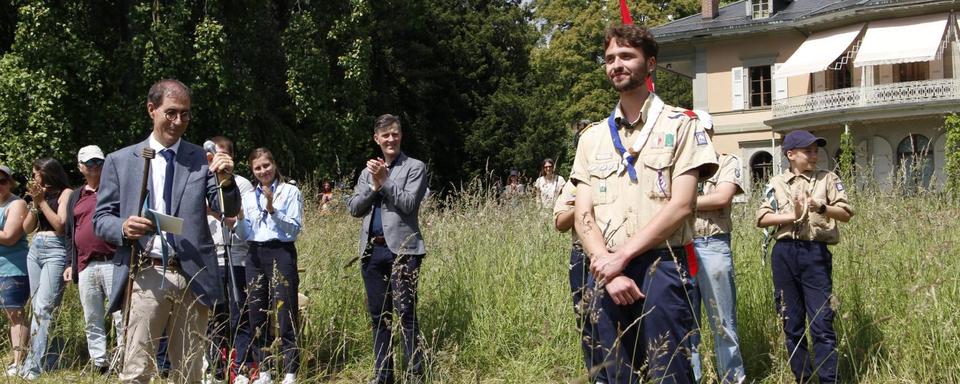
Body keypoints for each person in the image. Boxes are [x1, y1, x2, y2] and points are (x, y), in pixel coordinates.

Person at [571, 24, 718, 384]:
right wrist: (607, 266)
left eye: (626, 56)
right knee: (615, 374)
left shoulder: (682, 125)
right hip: (605, 271)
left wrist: (621, 258)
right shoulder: (592, 138)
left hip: (663, 267)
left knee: (672, 372)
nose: (616, 65)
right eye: (609, 59)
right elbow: (582, 213)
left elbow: (682, 205)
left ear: (650, 64)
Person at [94, 79, 240, 384]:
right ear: (152, 110)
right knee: (136, 371)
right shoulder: (120, 161)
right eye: (171, 113)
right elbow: (101, 219)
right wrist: (123, 227)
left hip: (193, 275)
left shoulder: (203, 159)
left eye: (185, 114)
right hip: (145, 273)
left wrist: (227, 180)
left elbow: (227, 210)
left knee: (189, 372)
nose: (178, 121)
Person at [756, 130, 854, 384]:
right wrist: (792, 215)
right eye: (807, 151)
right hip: (785, 254)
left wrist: (820, 207)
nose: (814, 155)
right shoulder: (776, 183)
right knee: (791, 322)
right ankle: (803, 378)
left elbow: (845, 213)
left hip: (815, 253)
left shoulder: (827, 178)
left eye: (815, 150)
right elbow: (762, 218)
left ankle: (828, 379)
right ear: (791, 154)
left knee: (822, 321)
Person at [348, 114, 428, 384]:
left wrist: (385, 180)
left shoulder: (415, 167)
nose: (391, 139)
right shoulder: (366, 173)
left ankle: (415, 374)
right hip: (372, 252)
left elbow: (408, 204)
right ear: (377, 139)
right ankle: (384, 376)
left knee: (406, 312)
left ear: (400, 135)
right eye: (385, 135)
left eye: (395, 134)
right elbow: (354, 208)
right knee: (378, 317)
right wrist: (373, 184)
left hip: (403, 251)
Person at [688, 113, 746, 383]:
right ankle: (691, 378)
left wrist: (681, 202)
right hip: (681, 246)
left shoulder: (727, 161)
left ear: (711, 133)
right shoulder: (677, 166)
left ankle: (732, 378)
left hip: (713, 244)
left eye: (702, 129)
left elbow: (722, 197)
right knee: (686, 325)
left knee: (723, 322)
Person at [237, 147, 303, 384]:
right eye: (258, 168)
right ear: (253, 171)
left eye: (266, 165)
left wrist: (273, 209)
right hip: (255, 254)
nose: (263, 171)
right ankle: (264, 369)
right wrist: (241, 219)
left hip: (281, 251)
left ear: (274, 165)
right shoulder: (247, 196)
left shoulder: (290, 191)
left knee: (285, 311)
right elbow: (244, 234)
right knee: (256, 312)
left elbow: (294, 229)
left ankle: (290, 371)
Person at [63, 145, 121, 375]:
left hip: (113, 260)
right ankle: (100, 363)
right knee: (92, 317)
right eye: (90, 164)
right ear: (80, 167)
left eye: (99, 162)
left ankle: (124, 360)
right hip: (86, 264)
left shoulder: (115, 190)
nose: (95, 167)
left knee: (121, 316)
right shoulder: (76, 196)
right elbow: (70, 232)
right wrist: (70, 263)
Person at [203, 136, 255, 383]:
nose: (216, 158)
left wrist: (212, 211)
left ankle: (242, 367)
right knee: (214, 318)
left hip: (235, 257)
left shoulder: (242, 183)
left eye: (222, 153)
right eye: (212, 154)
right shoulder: (200, 182)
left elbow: (241, 219)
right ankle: (216, 369)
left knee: (239, 315)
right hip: (209, 259)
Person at [20, 157, 73, 379]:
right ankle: (52, 357)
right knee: (39, 308)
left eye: (36, 173)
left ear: (46, 172)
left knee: (44, 308)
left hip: (55, 249)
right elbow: (26, 227)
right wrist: (34, 202)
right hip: (36, 247)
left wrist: (42, 202)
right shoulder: (38, 195)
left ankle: (32, 367)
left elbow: (61, 225)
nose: (34, 177)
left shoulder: (66, 193)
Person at [553, 179, 607, 384]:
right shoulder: (574, 184)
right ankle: (598, 377)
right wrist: (581, 206)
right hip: (581, 257)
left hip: (611, 253)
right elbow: (559, 223)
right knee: (585, 320)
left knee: (610, 318)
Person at [0, 165, 31, 376]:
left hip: (13, 268)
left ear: (10, 182)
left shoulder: (17, 203)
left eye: (2, 180)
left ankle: (19, 362)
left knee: (15, 314)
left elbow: (10, 237)